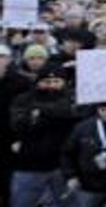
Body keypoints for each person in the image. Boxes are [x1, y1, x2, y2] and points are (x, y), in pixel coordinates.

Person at [9, 64, 80, 207]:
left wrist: (40, 111)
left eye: (56, 81)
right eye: (47, 82)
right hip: (30, 165)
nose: (52, 86)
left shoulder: (72, 98)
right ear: (38, 82)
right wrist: (56, 115)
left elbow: (72, 113)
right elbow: (19, 124)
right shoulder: (23, 99)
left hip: (63, 167)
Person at [0, 45, 32, 207]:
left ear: (8, 60)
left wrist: (21, 138)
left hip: (10, 140)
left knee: (7, 183)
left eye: (1, 57)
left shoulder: (21, 82)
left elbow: (28, 112)